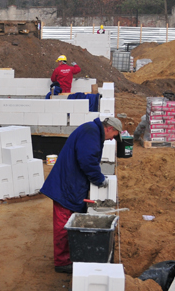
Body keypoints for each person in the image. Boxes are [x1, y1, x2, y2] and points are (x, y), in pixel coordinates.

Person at [40, 117, 122, 274]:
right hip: (66, 185)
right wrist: (99, 179)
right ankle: (62, 262)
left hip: (71, 183)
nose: (112, 139)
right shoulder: (91, 132)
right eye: (114, 135)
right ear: (109, 128)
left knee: (69, 222)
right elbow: (87, 160)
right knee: (63, 225)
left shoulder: (92, 130)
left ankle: (69, 256)